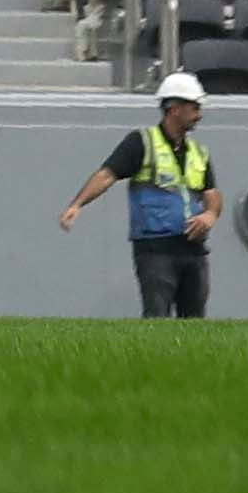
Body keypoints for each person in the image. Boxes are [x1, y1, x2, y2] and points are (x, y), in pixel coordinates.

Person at [60, 68, 220, 315]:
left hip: (193, 249)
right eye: (194, 107)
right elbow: (107, 175)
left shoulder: (199, 153)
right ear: (174, 108)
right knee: (156, 316)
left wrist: (209, 215)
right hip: (155, 250)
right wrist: (77, 204)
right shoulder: (142, 143)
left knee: (195, 322)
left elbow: (212, 195)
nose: (199, 114)